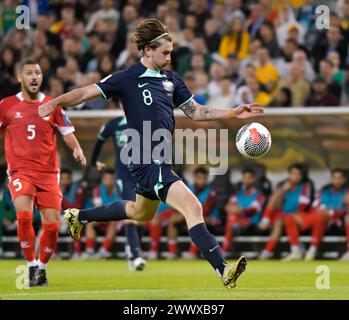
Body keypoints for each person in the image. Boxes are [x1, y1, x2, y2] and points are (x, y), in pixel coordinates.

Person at [38, 19, 264, 289]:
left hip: (159, 160)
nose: (169, 58)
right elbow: (87, 92)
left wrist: (232, 112)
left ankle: (79, 216)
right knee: (193, 207)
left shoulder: (172, 80)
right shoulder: (127, 77)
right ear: (147, 50)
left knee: (139, 212)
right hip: (145, 159)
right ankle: (223, 269)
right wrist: (54, 102)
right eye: (164, 53)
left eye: (170, 53)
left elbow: (197, 111)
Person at [0, 59, 86, 287]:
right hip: (21, 171)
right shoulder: (6, 105)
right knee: (25, 216)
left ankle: (42, 268)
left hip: (48, 173)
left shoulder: (52, 105)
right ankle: (30, 267)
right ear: (20, 78)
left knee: (52, 226)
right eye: (29, 73)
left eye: (37, 73)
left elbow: (67, 132)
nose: (34, 77)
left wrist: (76, 147)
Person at [90, 116, 146, 271]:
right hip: (125, 177)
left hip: (144, 175)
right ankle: (135, 255)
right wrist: (94, 161)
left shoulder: (144, 120)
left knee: (142, 217)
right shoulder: (113, 124)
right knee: (131, 216)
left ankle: (131, 250)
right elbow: (99, 141)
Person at [222, 168, 265, 257]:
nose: (247, 180)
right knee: (232, 218)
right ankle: (224, 251)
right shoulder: (238, 194)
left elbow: (253, 210)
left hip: (251, 224)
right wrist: (238, 210)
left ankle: (223, 251)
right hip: (236, 222)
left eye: (249, 177)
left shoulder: (259, 195)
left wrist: (239, 210)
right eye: (245, 178)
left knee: (232, 218)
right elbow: (228, 207)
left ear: (254, 179)